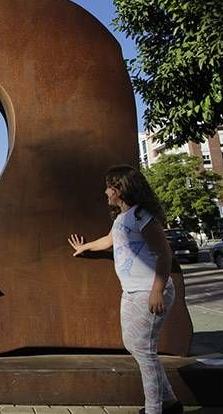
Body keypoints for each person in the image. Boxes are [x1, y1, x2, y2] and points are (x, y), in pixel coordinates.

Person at [68, 165, 183, 414]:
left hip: (149, 291)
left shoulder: (142, 217)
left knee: (143, 350)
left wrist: (157, 291)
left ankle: (155, 409)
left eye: (110, 186)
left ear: (122, 189)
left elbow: (165, 255)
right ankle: (170, 402)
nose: (106, 191)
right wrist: (86, 246)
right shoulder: (122, 218)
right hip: (131, 292)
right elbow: (109, 240)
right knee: (135, 346)